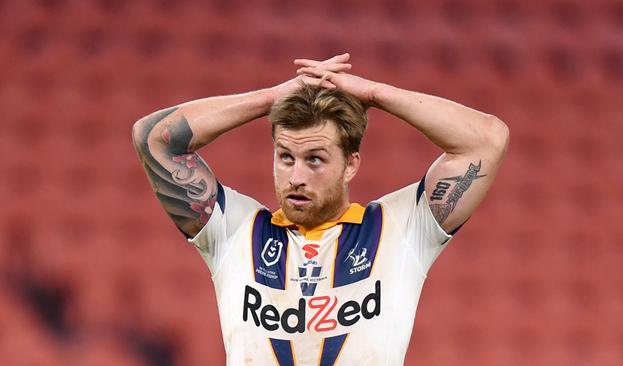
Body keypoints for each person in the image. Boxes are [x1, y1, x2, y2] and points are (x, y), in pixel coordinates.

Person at [132, 53, 509, 365]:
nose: (296, 176)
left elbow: (487, 140)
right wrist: (270, 99)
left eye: (315, 159)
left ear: (351, 165)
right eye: (285, 157)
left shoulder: (400, 229)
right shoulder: (234, 231)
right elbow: (154, 139)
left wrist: (375, 94)